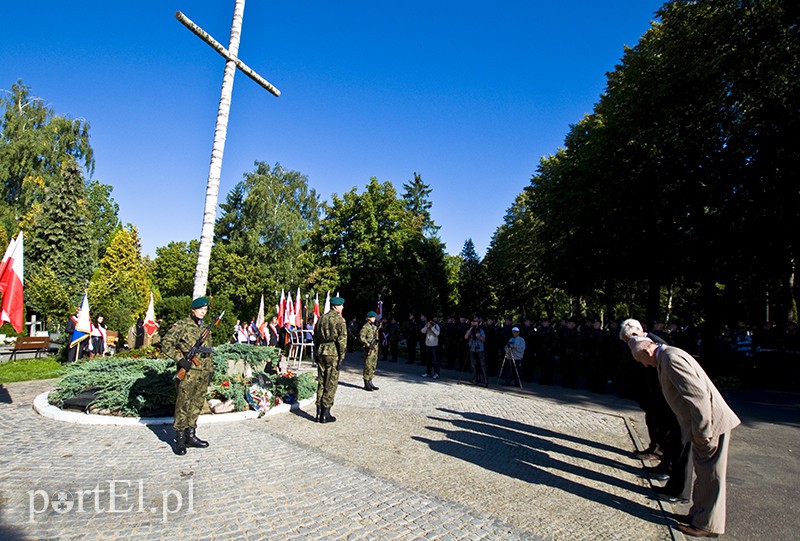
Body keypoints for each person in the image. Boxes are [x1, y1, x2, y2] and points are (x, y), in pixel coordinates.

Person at [629, 336, 741, 538]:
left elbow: (698, 398)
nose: (645, 366)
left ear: (647, 352)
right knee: (704, 473)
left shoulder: (671, 359)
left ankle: (707, 524)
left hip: (710, 426)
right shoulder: (668, 355)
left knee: (711, 476)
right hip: (703, 426)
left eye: (642, 361)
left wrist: (702, 431)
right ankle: (698, 515)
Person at [161, 297, 215, 456]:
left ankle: (191, 436)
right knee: (183, 404)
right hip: (188, 372)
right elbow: (166, 343)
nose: (203, 312)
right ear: (193, 309)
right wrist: (180, 360)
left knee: (197, 403)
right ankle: (179, 439)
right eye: (200, 309)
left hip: (202, 373)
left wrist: (210, 370)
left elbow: (208, 352)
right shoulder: (182, 325)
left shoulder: (205, 328)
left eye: (205, 310)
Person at [313, 296, 347, 423]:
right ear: (335, 306)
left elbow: (315, 336)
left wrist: (317, 351)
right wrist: (341, 357)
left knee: (321, 381)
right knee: (331, 382)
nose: (342, 307)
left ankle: (318, 412)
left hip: (322, 350)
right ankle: (325, 413)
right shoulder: (339, 320)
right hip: (333, 352)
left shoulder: (322, 318)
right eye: (341, 305)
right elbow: (342, 340)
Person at [359, 311, 381, 391]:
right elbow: (361, 337)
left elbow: (377, 338)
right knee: (367, 366)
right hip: (368, 350)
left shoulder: (374, 327)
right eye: (373, 317)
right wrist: (368, 344)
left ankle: (370, 381)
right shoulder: (366, 327)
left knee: (373, 366)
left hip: (374, 350)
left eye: (374, 317)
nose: (374, 318)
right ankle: (366, 383)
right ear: (368, 318)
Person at [465, 317, 487, 386]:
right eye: (473, 321)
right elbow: (465, 337)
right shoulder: (470, 330)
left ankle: (485, 380)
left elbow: (483, 339)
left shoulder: (481, 330)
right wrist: (470, 329)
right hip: (472, 349)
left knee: (482, 365)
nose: (474, 322)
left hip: (480, 349)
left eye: (476, 321)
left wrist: (479, 336)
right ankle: (475, 380)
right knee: (473, 365)